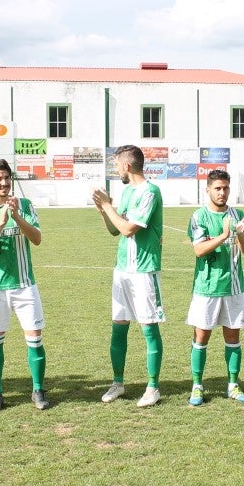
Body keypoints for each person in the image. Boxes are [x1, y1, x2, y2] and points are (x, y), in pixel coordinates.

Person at [0, 158, 50, 411]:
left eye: (7, 178)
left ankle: (38, 390)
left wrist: (16, 216)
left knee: (35, 337)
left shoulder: (24, 205)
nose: (4, 183)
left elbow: (36, 239)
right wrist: (2, 222)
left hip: (25, 285)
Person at [93, 145, 166, 407]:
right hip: (122, 270)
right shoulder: (126, 192)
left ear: (126, 166)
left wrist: (108, 207)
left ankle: (153, 387)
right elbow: (114, 231)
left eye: (116, 166)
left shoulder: (150, 192)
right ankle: (118, 383)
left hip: (144, 271)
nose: (115, 171)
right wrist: (104, 211)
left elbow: (128, 229)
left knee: (148, 329)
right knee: (118, 327)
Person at [185, 169, 244, 406]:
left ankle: (233, 385)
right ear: (208, 190)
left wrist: (240, 234)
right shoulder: (199, 216)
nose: (222, 192)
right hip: (206, 287)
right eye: (217, 188)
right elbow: (199, 250)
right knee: (201, 337)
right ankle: (197, 386)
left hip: (234, 287)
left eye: (225, 188)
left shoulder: (238, 214)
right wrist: (225, 235)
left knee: (233, 336)